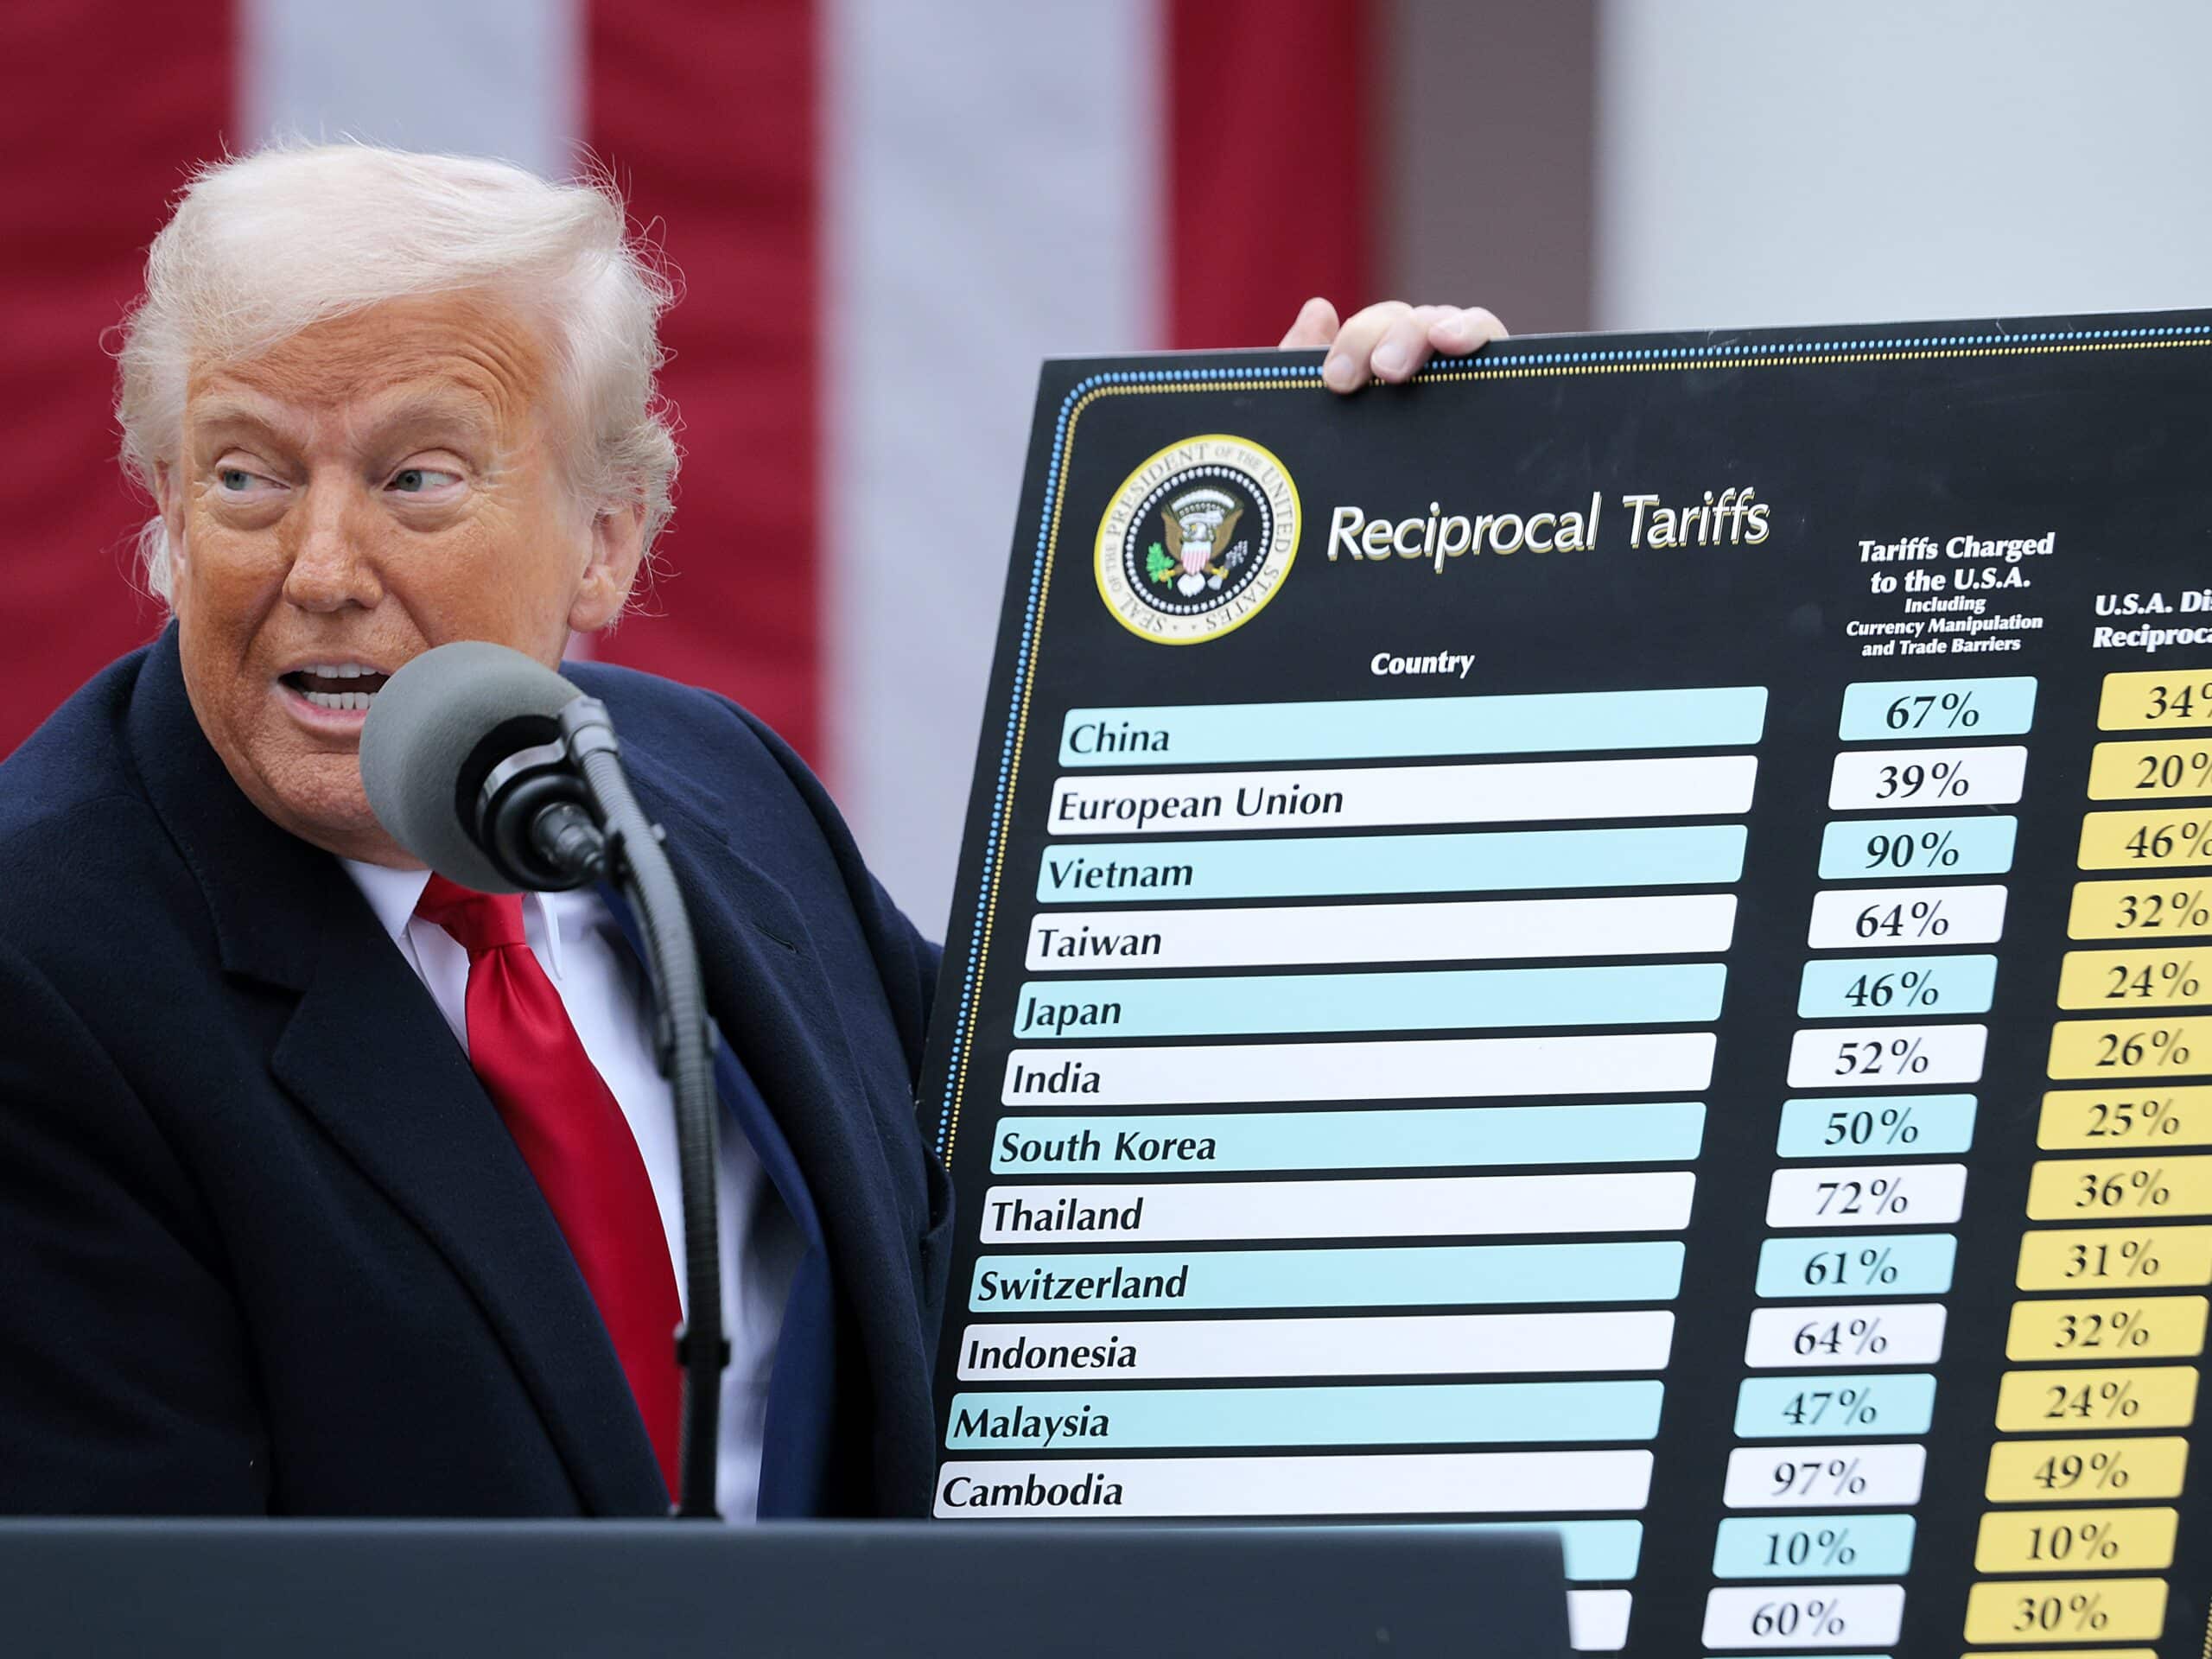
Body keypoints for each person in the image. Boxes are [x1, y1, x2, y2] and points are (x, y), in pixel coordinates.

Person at [0, 143, 1504, 1517]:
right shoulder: (44, 964)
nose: (322, 566)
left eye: (417, 479)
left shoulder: (711, 784)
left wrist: (1321, 596)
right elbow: (149, 1603)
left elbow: (1083, 1169)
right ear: (170, 516)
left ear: (606, 540)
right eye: (248, 476)